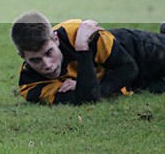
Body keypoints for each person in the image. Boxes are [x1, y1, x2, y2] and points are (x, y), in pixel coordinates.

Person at [11, 11, 165, 105]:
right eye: (35, 60)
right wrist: (82, 50)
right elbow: (87, 99)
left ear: (56, 39)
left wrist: (91, 87)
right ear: (22, 57)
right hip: (135, 85)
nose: (48, 65)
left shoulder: (80, 32)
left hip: (138, 51)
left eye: (49, 53)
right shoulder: (30, 85)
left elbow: (128, 68)